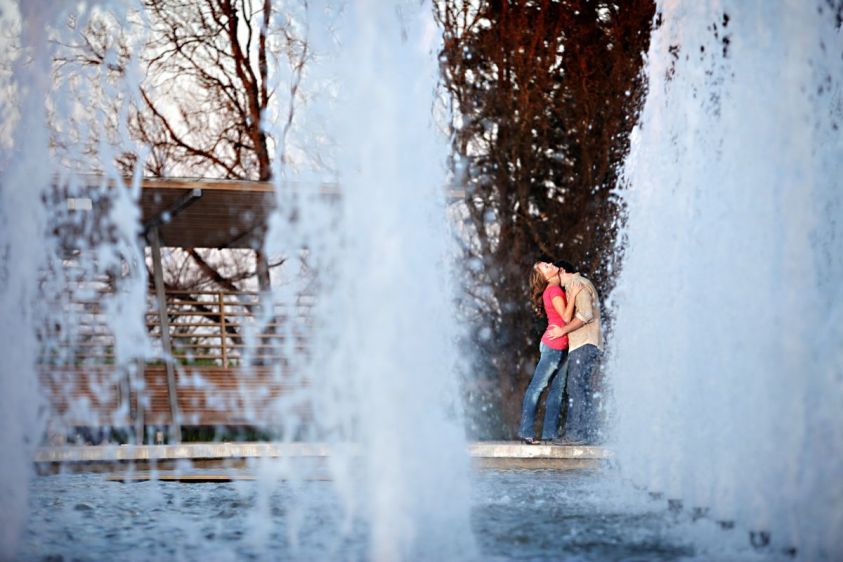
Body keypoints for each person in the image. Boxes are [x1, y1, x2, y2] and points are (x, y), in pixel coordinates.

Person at [517, 261, 581, 445]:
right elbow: (566, 317)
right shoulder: (553, 291)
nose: (550, 264)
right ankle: (526, 432)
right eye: (545, 267)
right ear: (544, 277)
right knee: (537, 387)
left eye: (547, 263)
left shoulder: (555, 289)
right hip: (553, 346)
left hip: (562, 346)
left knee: (557, 392)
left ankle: (549, 435)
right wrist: (575, 295)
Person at [546, 260, 603, 445]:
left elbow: (586, 314)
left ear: (562, 270)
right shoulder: (580, 284)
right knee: (583, 389)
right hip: (589, 343)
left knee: (576, 388)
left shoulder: (575, 283)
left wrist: (563, 331)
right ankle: (587, 434)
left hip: (584, 343)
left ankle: (576, 435)